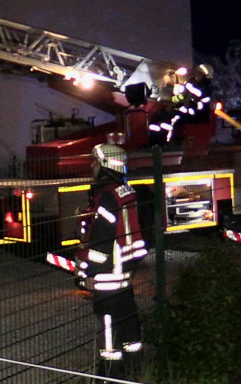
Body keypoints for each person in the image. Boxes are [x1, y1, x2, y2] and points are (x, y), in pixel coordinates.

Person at [76, 144, 147, 378]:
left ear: (106, 165)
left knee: (109, 330)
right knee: (129, 326)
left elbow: (101, 241)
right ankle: (135, 371)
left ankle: (110, 375)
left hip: (107, 278)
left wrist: (87, 273)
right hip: (124, 276)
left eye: (96, 162)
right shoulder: (125, 192)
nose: (92, 166)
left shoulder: (107, 197)